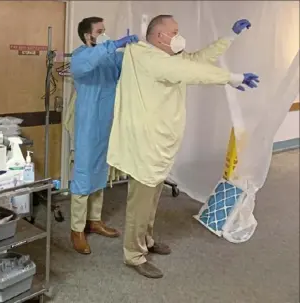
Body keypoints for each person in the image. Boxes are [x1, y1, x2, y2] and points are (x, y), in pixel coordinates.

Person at [107, 15, 259, 278]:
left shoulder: (167, 58)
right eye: (175, 31)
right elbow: (189, 72)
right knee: (140, 203)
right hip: (145, 145)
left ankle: (147, 240)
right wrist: (231, 77)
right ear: (159, 36)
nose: (179, 35)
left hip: (158, 144)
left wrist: (229, 37)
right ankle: (133, 254)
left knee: (152, 197)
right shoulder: (146, 56)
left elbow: (197, 60)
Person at [69, 17, 138, 254]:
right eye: (100, 31)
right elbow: (88, 63)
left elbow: (126, 68)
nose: (105, 34)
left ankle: (94, 220)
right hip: (88, 124)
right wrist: (113, 44)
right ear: (88, 36)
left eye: (105, 31)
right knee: (83, 172)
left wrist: (134, 51)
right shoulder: (79, 57)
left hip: (107, 124)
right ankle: (77, 229)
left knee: (100, 171)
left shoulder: (109, 56)